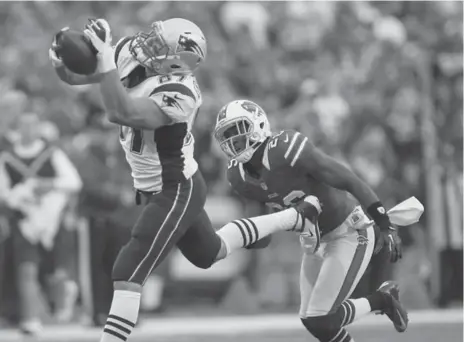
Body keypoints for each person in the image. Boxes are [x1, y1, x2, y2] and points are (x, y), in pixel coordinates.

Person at [50, 18, 320, 342]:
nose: (147, 43)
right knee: (211, 252)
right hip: (157, 189)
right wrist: (63, 63)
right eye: (154, 37)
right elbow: (86, 76)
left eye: (158, 45)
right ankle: (294, 217)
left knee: (127, 271)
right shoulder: (129, 54)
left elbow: (121, 112)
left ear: (177, 62)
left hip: (175, 187)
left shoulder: (181, 92)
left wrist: (105, 59)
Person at [213, 99, 409, 342]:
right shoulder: (238, 176)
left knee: (321, 319)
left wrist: (384, 223)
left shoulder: (285, 148)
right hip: (314, 242)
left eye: (237, 131)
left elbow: (349, 179)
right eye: (227, 135)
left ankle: (383, 300)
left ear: (258, 124)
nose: (232, 141)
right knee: (313, 319)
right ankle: (383, 300)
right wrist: (248, 238)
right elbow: (265, 232)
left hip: (348, 230)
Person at [0, 112, 82, 335]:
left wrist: (48, 184)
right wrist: (21, 195)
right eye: (24, 126)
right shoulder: (7, 157)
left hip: (52, 221)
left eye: (32, 126)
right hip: (24, 222)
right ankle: (30, 319)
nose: (28, 131)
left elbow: (73, 181)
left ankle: (61, 305)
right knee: (26, 269)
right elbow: (3, 191)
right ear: (18, 130)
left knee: (56, 272)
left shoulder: (52, 154)